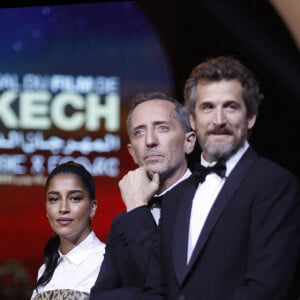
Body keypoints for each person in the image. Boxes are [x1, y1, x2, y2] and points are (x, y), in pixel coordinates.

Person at [159, 56, 300, 299]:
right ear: (192, 119)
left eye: (231, 107)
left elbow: (265, 289)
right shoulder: (175, 195)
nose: (219, 121)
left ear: (251, 116)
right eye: (207, 107)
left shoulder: (275, 184)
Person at [90, 92, 196, 299]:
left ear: (189, 142)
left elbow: (176, 289)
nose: (150, 141)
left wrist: (138, 207)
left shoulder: (209, 201)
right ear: (132, 152)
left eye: (162, 128)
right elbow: (99, 296)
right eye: (139, 132)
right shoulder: (124, 221)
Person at [31, 161, 105, 300]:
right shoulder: (45, 271)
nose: (63, 208)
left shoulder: (107, 262)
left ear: (92, 207)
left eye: (75, 198)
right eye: (54, 199)